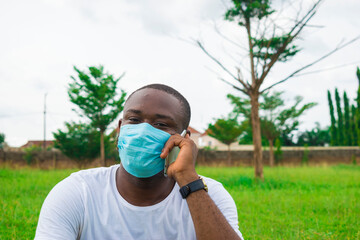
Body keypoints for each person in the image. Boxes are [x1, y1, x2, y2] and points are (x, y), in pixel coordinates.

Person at [35, 84, 243, 240]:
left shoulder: (210, 195)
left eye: (161, 124)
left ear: (184, 138)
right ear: (119, 129)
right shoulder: (78, 192)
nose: (142, 131)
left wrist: (189, 181)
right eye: (133, 120)